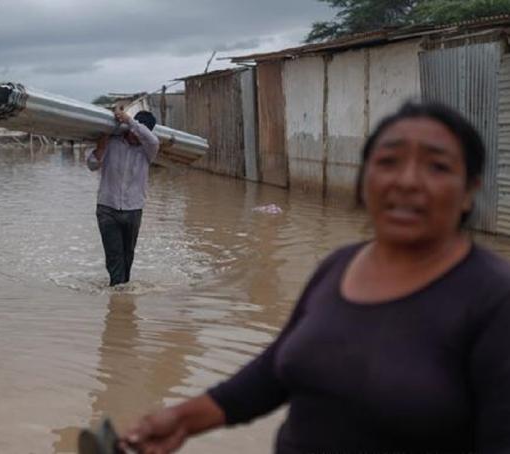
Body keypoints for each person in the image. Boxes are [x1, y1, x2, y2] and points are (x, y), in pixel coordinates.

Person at [120, 102, 510, 453]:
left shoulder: (493, 299)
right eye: (388, 162)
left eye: (437, 166)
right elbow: (276, 370)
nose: (406, 181)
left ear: (469, 191)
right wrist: (182, 420)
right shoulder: (340, 266)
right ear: (365, 179)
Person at [87, 109, 160, 286]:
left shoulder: (148, 150)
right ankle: (117, 296)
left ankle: (122, 299)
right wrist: (101, 147)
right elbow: (92, 165)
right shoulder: (112, 141)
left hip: (133, 210)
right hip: (107, 208)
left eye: (140, 133)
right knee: (114, 257)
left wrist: (130, 121)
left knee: (128, 256)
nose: (135, 137)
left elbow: (152, 139)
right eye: (133, 132)